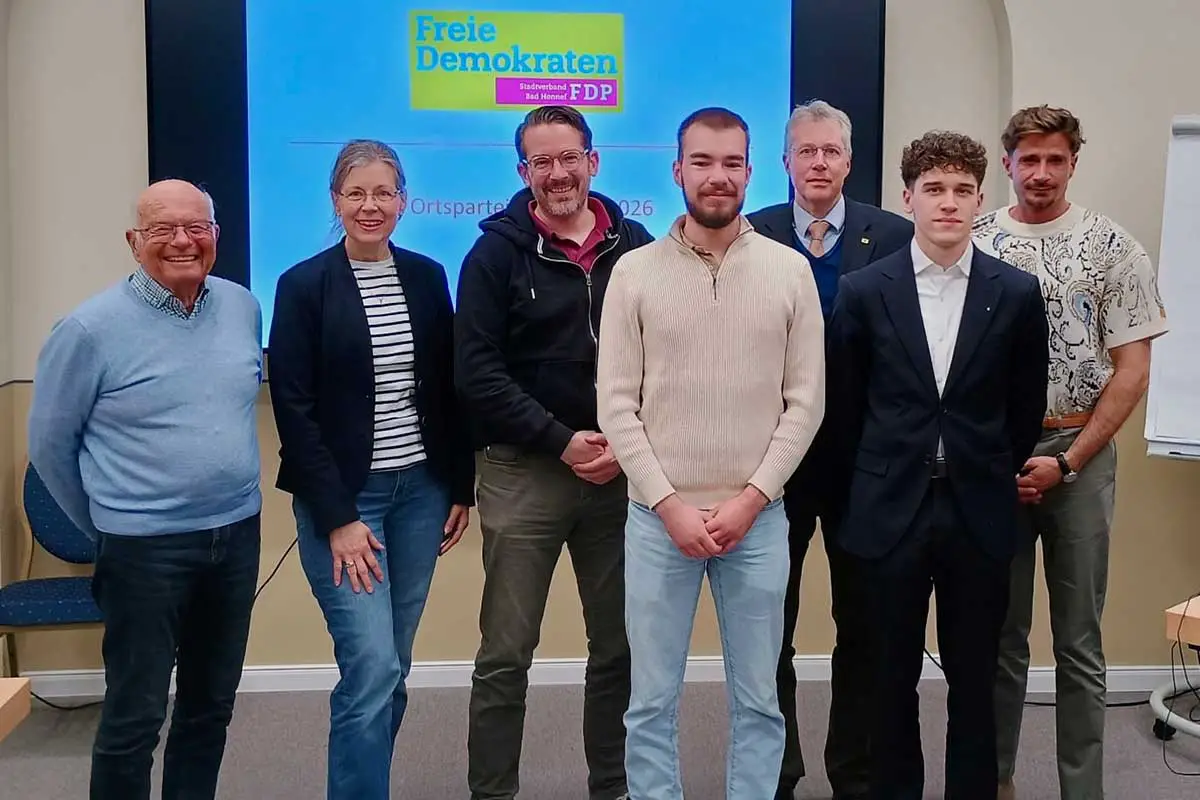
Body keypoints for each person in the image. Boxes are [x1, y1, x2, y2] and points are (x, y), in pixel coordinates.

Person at [597, 106, 826, 800]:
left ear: (751, 173)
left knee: (759, 701)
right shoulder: (633, 273)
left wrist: (751, 499)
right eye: (702, 161)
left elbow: (805, 404)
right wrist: (669, 505)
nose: (717, 176)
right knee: (649, 702)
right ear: (678, 171)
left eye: (731, 163)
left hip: (757, 521)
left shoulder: (790, 271)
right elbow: (616, 406)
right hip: (656, 522)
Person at [824, 131, 1049, 799]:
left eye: (961, 190)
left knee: (975, 679)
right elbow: (845, 408)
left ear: (980, 200)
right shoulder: (865, 291)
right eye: (934, 189)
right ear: (908, 198)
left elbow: (1023, 408)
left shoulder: (1016, 293)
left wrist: (986, 467)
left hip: (977, 509)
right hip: (888, 511)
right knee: (888, 677)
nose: (948, 202)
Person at [27, 179, 263, 800]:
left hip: (236, 537)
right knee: (135, 717)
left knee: (210, 707)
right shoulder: (88, 329)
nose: (182, 241)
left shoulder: (243, 306)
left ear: (216, 236)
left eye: (196, 227)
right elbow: (50, 446)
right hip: (142, 549)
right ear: (134, 241)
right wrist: (108, 524)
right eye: (163, 229)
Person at [455, 104, 653, 800]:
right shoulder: (492, 256)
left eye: (570, 157)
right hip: (524, 473)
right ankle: (493, 793)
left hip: (619, 473)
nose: (558, 173)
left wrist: (624, 443)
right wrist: (562, 441)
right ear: (523, 172)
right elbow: (477, 375)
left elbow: (667, 354)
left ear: (592, 161)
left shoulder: (637, 246)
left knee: (620, 647)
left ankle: (614, 788)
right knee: (506, 653)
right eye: (542, 161)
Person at [973, 106, 1170, 800]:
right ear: (1007, 164)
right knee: (999, 635)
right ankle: (994, 781)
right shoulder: (975, 243)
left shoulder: (1114, 248)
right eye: (1028, 159)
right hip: (995, 458)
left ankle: (1082, 791)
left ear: (1073, 163)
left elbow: (1133, 371)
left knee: (1079, 642)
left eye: (1055, 159)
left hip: (1079, 454)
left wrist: (1070, 460)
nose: (1041, 173)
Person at [267, 139, 474, 799]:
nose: (370, 205)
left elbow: (446, 389)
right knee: (372, 664)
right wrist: (338, 518)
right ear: (335, 201)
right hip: (346, 503)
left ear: (403, 201)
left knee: (393, 665)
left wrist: (460, 486)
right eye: (356, 193)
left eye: (383, 192)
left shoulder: (426, 276)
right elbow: (294, 411)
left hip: (420, 495)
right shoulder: (303, 285)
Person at [746, 98, 912, 800]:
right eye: (805, 151)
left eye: (830, 151)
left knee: (864, 629)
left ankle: (855, 775)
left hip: (864, 468)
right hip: (770, 467)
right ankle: (776, 775)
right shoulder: (750, 233)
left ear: (849, 161)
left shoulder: (896, 236)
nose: (818, 163)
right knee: (768, 633)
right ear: (784, 162)